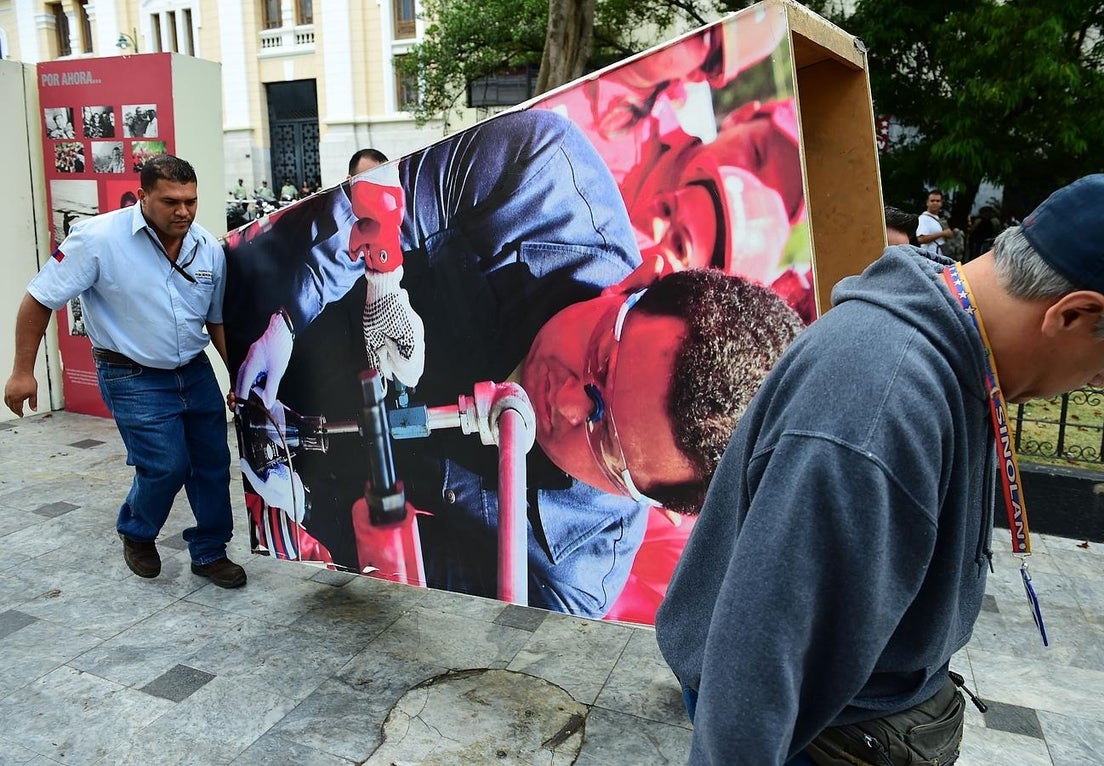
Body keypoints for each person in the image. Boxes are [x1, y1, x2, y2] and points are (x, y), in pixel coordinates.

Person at [225, 110, 803, 617]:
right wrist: (288, 316)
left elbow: (411, 591)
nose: (567, 401)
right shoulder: (540, 171)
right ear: (639, 281)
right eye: (603, 359)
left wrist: (301, 500)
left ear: (654, 506)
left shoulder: (573, 580)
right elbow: (373, 202)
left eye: (609, 447)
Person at [656, 174, 1104, 765]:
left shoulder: (954, 349)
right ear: (1073, 314)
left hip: (847, 708)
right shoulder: (878, 403)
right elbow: (758, 648)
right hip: (810, 732)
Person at [3, 156, 246, 590]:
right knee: (167, 465)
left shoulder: (207, 246)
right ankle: (136, 531)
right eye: (171, 202)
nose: (183, 212)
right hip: (131, 375)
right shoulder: (97, 239)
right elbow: (39, 298)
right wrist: (23, 371)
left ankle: (210, 551)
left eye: (191, 201)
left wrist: (238, 379)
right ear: (142, 197)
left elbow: (217, 321)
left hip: (194, 370)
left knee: (212, 463)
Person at [916, 188, 954, 256]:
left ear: (941, 203)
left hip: (940, 256)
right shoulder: (923, 218)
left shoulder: (940, 219)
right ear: (927, 203)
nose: (935, 203)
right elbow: (921, 239)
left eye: (938, 201)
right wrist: (942, 234)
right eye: (932, 201)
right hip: (929, 258)